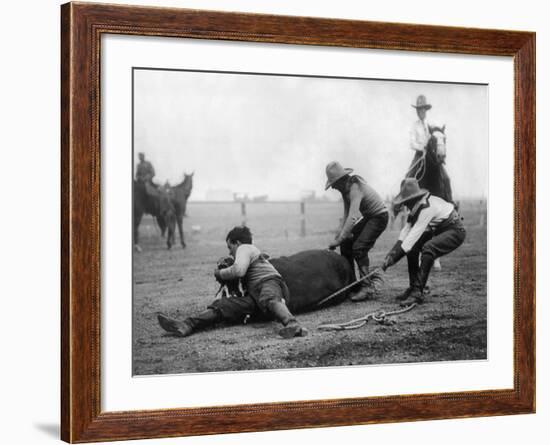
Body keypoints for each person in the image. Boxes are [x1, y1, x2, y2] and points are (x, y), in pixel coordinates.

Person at [157, 226, 307, 339]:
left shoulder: (245, 248)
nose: (230, 252)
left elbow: (239, 270)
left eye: (230, 247)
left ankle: (293, 324)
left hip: (269, 283)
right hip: (257, 298)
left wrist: (220, 273)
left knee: (268, 297)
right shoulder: (248, 253)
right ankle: (187, 324)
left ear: (238, 243)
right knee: (224, 305)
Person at [381, 178, 466, 306]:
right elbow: (404, 233)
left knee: (428, 248)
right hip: (440, 229)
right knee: (413, 249)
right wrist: (390, 256)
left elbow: (410, 239)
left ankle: (417, 292)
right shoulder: (416, 208)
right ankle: (413, 287)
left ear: (415, 199)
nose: (406, 206)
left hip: (455, 230)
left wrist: (391, 261)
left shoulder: (426, 208)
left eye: (407, 202)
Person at [325, 161, 389, 302]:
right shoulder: (345, 190)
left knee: (359, 247)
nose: (333, 187)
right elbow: (346, 215)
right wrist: (338, 238)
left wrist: (339, 238)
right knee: (346, 244)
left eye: (334, 183)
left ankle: (367, 287)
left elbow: (353, 216)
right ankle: (352, 284)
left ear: (341, 180)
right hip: (369, 217)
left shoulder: (355, 187)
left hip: (379, 216)